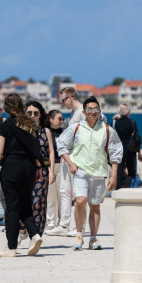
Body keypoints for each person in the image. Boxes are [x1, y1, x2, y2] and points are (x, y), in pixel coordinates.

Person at [57, 96, 123, 250]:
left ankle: (93, 239)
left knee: (95, 206)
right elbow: (61, 144)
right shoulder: (76, 128)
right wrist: (70, 163)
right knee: (80, 201)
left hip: (99, 172)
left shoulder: (107, 129)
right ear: (84, 111)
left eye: (95, 109)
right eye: (89, 109)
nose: (93, 112)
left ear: (99, 111)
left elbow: (116, 152)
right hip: (80, 171)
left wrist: (113, 175)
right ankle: (79, 233)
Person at [0, 93, 45, 257]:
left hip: (11, 168)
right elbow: (36, 150)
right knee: (25, 205)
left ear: (6, 108)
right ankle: (34, 235)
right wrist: (38, 169)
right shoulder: (29, 124)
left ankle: (11, 248)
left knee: (12, 208)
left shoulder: (5, 126)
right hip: (28, 168)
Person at [56, 86, 84, 237]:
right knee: (64, 190)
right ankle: (64, 224)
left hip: (77, 157)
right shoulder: (74, 113)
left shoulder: (81, 113)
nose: (62, 103)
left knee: (79, 193)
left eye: (63, 100)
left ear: (70, 97)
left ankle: (80, 226)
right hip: (68, 156)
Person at [26, 100, 55, 237]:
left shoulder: (46, 131)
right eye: (29, 113)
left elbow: (51, 152)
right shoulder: (22, 130)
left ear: (40, 115)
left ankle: (37, 235)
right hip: (25, 171)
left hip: (42, 172)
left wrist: (52, 171)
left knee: (39, 203)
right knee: (25, 202)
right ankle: (22, 230)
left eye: (35, 113)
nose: (33, 116)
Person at [112, 103, 142, 188]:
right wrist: (139, 153)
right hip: (130, 151)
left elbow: (111, 138)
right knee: (132, 173)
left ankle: (118, 191)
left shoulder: (114, 122)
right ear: (128, 112)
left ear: (119, 111)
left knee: (118, 173)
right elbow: (137, 139)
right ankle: (130, 189)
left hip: (117, 151)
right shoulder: (132, 122)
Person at [44, 110, 64, 235]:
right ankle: (51, 223)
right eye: (59, 118)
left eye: (62, 119)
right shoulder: (46, 132)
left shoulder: (64, 132)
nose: (61, 121)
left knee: (62, 195)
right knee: (51, 197)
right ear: (51, 119)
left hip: (62, 165)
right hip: (50, 166)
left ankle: (62, 222)